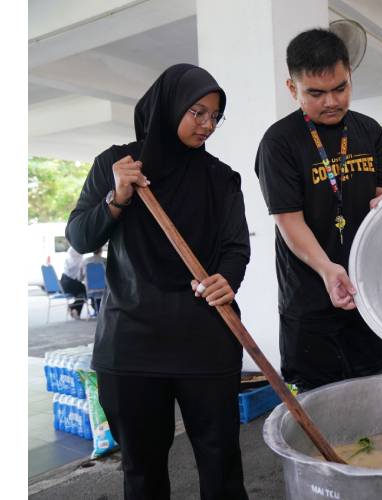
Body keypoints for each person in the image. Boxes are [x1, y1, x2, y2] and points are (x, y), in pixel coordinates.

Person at [66, 63, 250, 500]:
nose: (207, 124)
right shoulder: (117, 165)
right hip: (132, 344)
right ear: (169, 106)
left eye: (214, 116)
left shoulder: (221, 179)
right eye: (197, 112)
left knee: (221, 467)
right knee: (143, 474)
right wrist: (116, 199)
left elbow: (235, 247)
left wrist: (228, 279)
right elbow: (79, 235)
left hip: (205, 339)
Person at [255, 28, 382, 393]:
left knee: (371, 396)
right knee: (320, 408)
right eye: (315, 93)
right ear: (292, 89)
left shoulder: (369, 131)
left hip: (365, 296)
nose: (331, 101)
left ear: (349, 76)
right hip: (309, 302)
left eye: (340, 88)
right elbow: (288, 219)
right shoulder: (279, 142)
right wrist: (328, 270)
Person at [60, 245, 86, 319]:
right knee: (86, 291)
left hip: (63, 284)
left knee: (81, 293)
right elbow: (80, 278)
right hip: (71, 284)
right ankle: (73, 308)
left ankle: (75, 310)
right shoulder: (80, 261)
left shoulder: (67, 259)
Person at [81, 248, 107, 314]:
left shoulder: (85, 261)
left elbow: (80, 277)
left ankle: (96, 310)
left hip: (90, 290)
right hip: (103, 289)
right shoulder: (104, 261)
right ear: (101, 251)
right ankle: (100, 310)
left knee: (94, 293)